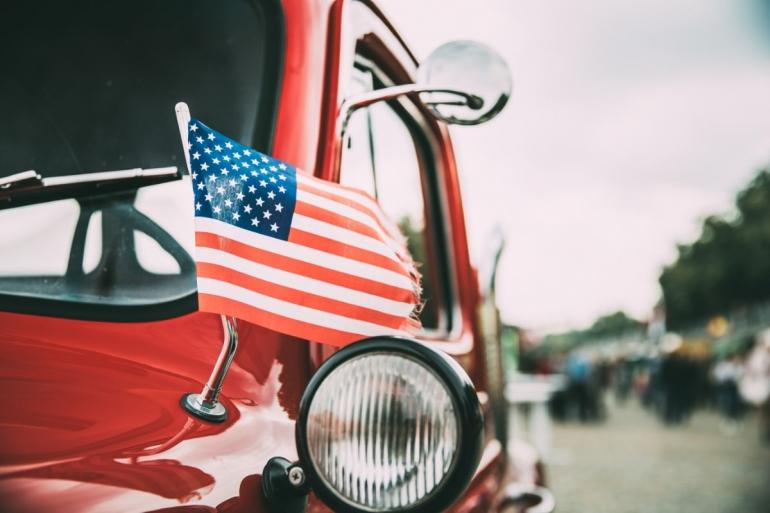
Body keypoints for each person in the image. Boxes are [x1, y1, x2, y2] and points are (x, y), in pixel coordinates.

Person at [739, 332, 770, 444]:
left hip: (763, 388)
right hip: (763, 388)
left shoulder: (759, 355)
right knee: (765, 413)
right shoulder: (758, 355)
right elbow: (754, 371)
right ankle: (765, 434)